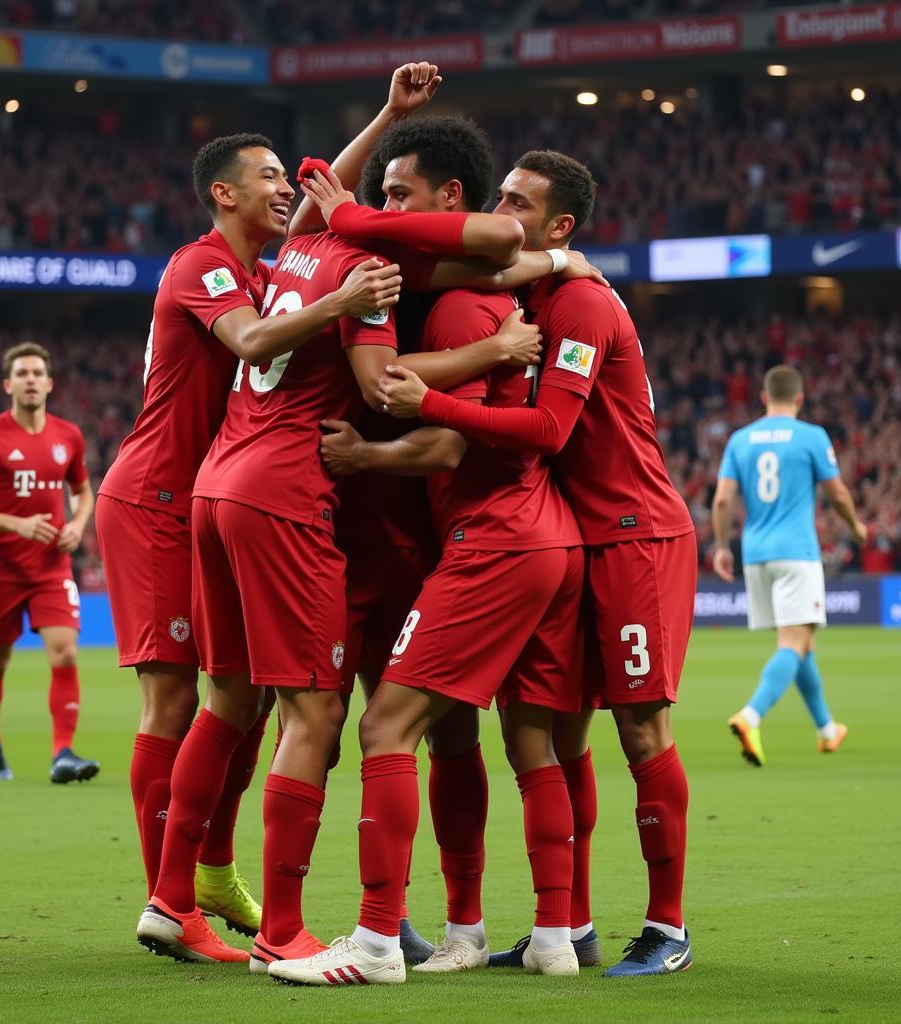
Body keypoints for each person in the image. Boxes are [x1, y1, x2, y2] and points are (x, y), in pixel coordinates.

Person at [368, 151, 697, 979]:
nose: (500, 208)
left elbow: (552, 430)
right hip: (569, 536)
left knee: (641, 728)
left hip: (631, 533)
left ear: (560, 224)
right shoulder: (535, 287)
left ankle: (668, 927)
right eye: (500, 196)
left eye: (520, 201)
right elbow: (463, 256)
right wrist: (546, 260)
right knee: (553, 731)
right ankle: (570, 926)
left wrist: (429, 402)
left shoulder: (580, 303)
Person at [97, 132, 400, 950]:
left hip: (208, 487)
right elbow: (253, 342)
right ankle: (171, 901)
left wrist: (384, 112)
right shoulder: (202, 265)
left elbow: (319, 205)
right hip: (157, 495)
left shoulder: (270, 273)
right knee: (178, 700)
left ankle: (205, 878)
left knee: (241, 695)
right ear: (223, 195)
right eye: (264, 177)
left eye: (284, 180)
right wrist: (342, 303)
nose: (283, 188)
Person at [0, 342, 99, 785]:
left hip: (51, 567)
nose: (31, 379)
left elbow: (83, 491)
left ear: (50, 383)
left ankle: (63, 753)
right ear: (8, 384)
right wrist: (16, 526)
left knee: (66, 650)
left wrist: (76, 524)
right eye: (22, 373)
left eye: (38, 372)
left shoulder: (68, 436)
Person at [712, 364, 866, 765]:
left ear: (764, 397)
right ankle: (751, 715)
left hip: (756, 555)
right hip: (797, 552)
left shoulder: (740, 440)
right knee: (794, 643)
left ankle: (826, 729)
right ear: (799, 398)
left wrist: (722, 547)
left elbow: (724, 499)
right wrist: (856, 527)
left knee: (801, 645)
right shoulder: (811, 437)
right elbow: (837, 493)